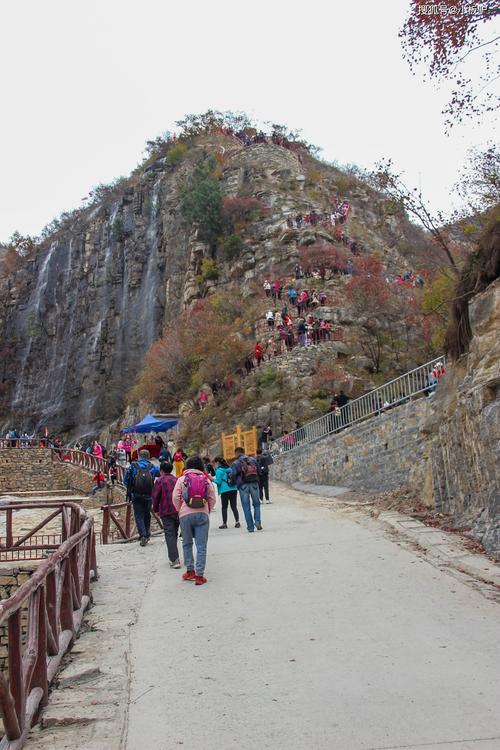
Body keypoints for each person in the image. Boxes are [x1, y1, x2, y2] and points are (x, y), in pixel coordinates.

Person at [172, 455, 217, 585]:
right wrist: (206, 510)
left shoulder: (181, 479)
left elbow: (175, 497)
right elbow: (212, 498)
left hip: (185, 515)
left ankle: (190, 571)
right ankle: (199, 575)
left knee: (186, 543)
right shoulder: (206, 479)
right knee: (201, 545)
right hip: (202, 514)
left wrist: (181, 510)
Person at [124, 449, 160, 546]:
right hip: (149, 495)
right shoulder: (153, 467)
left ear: (139, 456)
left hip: (136, 495)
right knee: (147, 514)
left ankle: (143, 535)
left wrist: (131, 490)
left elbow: (126, 481)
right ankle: (147, 534)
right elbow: (160, 474)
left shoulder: (133, 466)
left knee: (138, 515)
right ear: (148, 457)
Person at [152, 461, 180, 568]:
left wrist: (155, 509)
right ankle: (175, 555)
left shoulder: (159, 481)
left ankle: (174, 559)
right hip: (177, 510)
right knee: (175, 532)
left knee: (169, 534)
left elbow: (155, 497)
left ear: (161, 470)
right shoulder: (176, 480)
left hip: (165, 510)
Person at [231, 447, 262, 532]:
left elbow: (233, 475)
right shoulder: (252, 459)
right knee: (256, 504)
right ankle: (257, 521)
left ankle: (250, 527)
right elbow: (259, 471)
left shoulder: (236, 463)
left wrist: (233, 483)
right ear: (244, 452)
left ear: (237, 453)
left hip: (243, 486)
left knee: (246, 507)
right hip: (254, 483)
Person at [213, 456, 240, 529]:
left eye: (215, 463)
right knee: (234, 506)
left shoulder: (218, 471)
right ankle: (237, 522)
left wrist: (212, 479)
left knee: (224, 507)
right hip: (233, 489)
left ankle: (224, 523)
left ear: (218, 463)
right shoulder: (230, 469)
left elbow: (218, 482)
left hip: (224, 490)